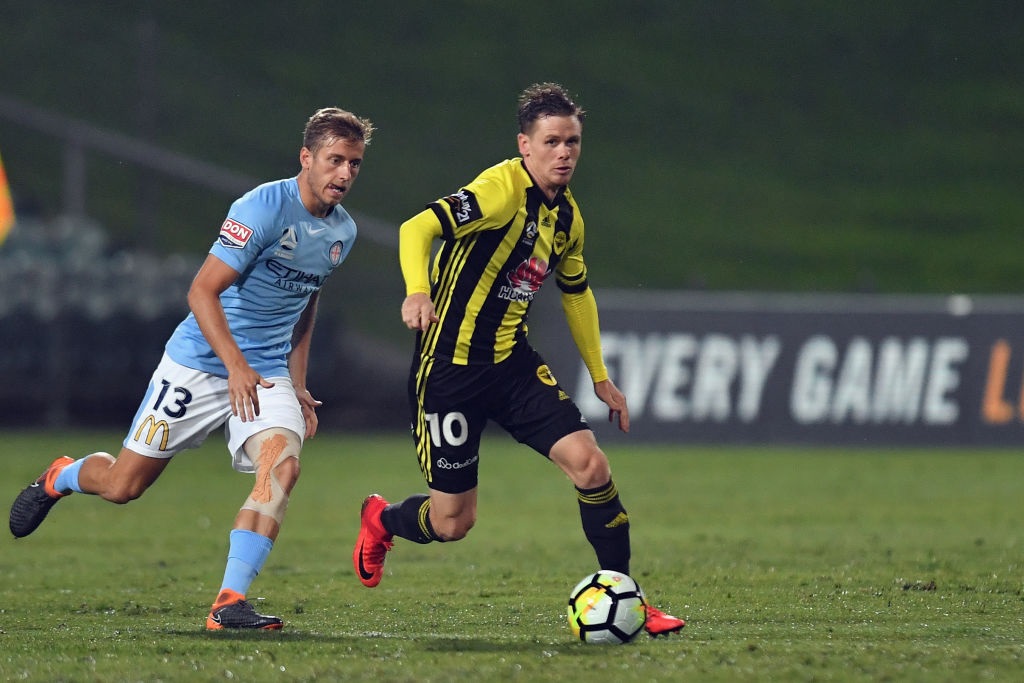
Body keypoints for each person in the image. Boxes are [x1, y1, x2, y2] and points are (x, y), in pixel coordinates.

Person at [10, 106, 374, 631]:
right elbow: (201, 290)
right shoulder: (262, 208)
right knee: (122, 486)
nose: (344, 174)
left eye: (354, 164)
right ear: (306, 158)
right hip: (199, 364)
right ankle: (61, 475)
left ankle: (228, 603)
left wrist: (296, 383)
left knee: (283, 467)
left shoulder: (343, 231)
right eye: (335, 160)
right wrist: (233, 367)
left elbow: (306, 303)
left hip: (265, 371)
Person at [352, 83, 684, 637]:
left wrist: (600, 377)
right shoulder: (498, 191)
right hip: (449, 370)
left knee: (592, 466)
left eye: (572, 141)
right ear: (525, 146)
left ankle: (628, 597)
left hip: (510, 364)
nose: (564, 153)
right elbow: (418, 227)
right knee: (455, 523)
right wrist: (416, 290)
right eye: (551, 141)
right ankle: (382, 519)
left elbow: (576, 292)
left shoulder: (568, 219)